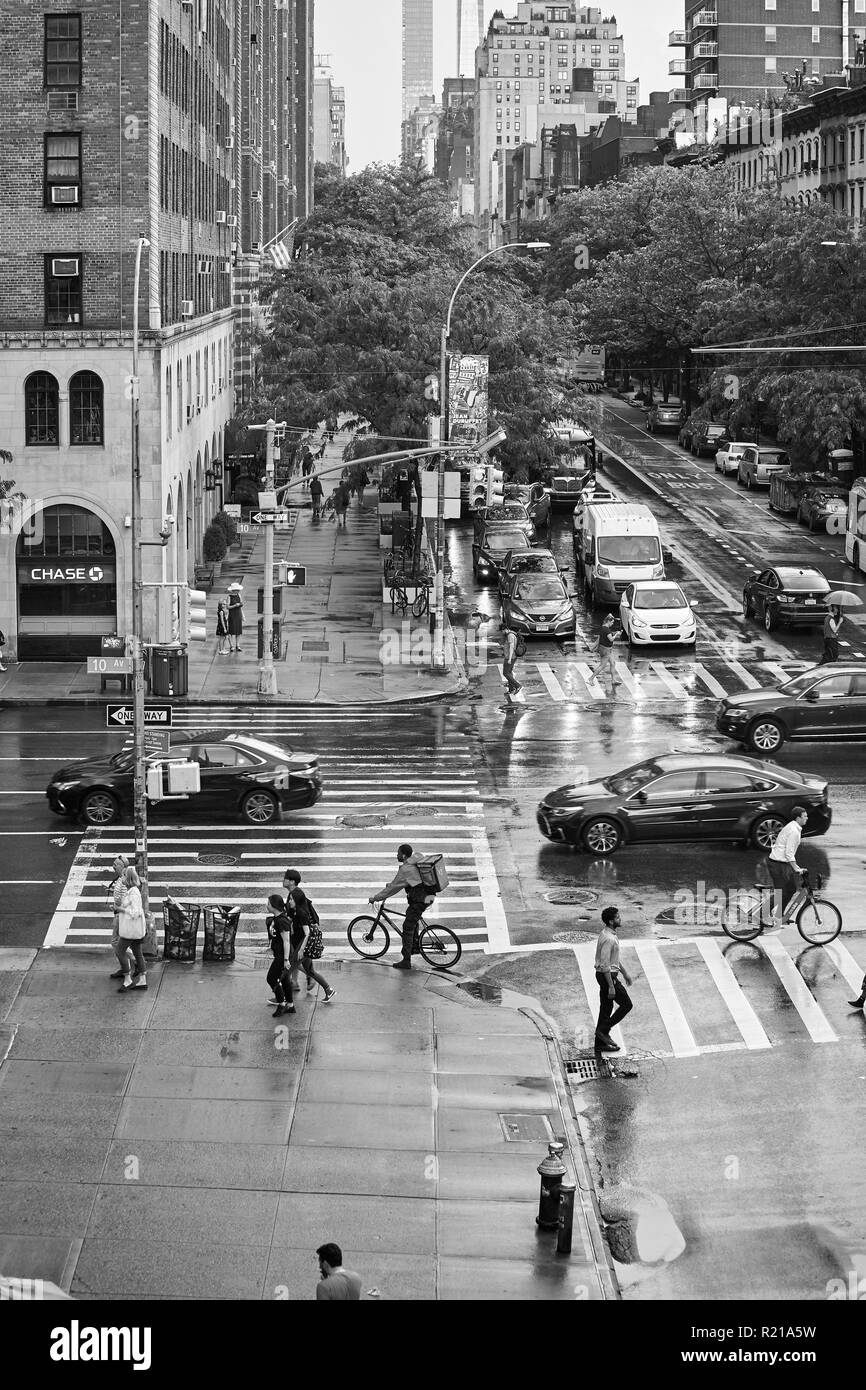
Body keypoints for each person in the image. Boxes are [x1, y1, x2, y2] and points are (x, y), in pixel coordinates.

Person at [369, 843, 433, 971]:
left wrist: (375, 898)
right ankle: (414, 946)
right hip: (428, 895)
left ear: (403, 855)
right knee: (412, 919)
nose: (396, 855)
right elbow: (400, 883)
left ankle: (406, 960)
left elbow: (393, 888)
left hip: (420, 899)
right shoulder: (415, 860)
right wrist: (391, 885)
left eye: (398, 853)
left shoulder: (405, 869)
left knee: (407, 927)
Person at [594, 906, 633, 1053]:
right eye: (617, 917)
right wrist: (611, 986)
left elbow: (612, 960)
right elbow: (605, 965)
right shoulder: (609, 939)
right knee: (627, 1005)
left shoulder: (608, 933)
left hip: (607, 975)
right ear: (611, 921)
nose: (620, 919)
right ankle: (603, 1030)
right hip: (607, 976)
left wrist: (625, 973)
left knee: (606, 1009)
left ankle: (599, 1043)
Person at [766, 806, 809, 926]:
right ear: (798, 817)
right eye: (805, 816)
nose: (807, 818)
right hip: (777, 864)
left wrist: (795, 866)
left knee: (790, 889)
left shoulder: (793, 827)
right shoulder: (794, 831)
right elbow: (789, 852)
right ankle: (761, 915)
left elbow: (788, 853)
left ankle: (780, 916)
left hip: (782, 863)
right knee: (780, 892)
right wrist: (796, 868)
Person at [116, 866, 148, 992]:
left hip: (130, 930)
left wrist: (121, 909)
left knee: (120, 951)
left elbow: (135, 912)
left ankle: (127, 979)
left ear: (128, 878)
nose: (122, 878)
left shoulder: (134, 892)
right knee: (138, 953)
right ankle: (142, 980)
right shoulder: (132, 890)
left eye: (123, 875)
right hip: (135, 930)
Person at [265, 894, 295, 1018]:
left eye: (268, 903)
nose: (266, 905)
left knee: (271, 978)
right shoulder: (277, 919)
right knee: (285, 980)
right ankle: (290, 1005)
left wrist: (286, 960)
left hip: (283, 956)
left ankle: (281, 1003)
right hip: (279, 954)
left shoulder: (282, 921)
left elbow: (286, 941)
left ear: (274, 906)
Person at [107, 854, 130, 980]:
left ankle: (132, 964)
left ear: (122, 867)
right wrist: (111, 892)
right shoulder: (121, 878)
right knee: (121, 943)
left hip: (120, 915)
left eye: (115, 864)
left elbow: (125, 898)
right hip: (118, 913)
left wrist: (116, 906)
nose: (113, 866)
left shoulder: (124, 880)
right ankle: (127, 966)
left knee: (116, 942)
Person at [595, 613, 625, 689]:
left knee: (613, 663)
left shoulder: (603, 628)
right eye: (612, 622)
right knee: (602, 666)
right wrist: (616, 635)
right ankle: (591, 678)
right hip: (606, 650)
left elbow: (607, 635)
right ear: (608, 621)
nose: (612, 624)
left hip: (607, 649)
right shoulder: (606, 629)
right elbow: (611, 638)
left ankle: (613, 680)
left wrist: (615, 633)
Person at [500, 622, 524, 699]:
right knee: (509, 673)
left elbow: (511, 647)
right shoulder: (510, 634)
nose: (501, 632)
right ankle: (511, 689)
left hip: (510, 657)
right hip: (511, 657)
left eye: (501, 631)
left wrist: (509, 658)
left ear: (505, 629)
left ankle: (518, 686)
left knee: (505, 673)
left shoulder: (510, 635)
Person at [227, 583, 244, 652]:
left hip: (238, 614)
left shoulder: (239, 595)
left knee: (238, 631)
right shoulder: (229, 597)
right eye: (237, 590)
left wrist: (240, 604)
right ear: (233, 590)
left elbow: (242, 603)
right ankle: (231, 645)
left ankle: (238, 645)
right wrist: (235, 605)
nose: (238, 591)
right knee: (232, 631)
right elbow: (227, 607)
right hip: (232, 615)